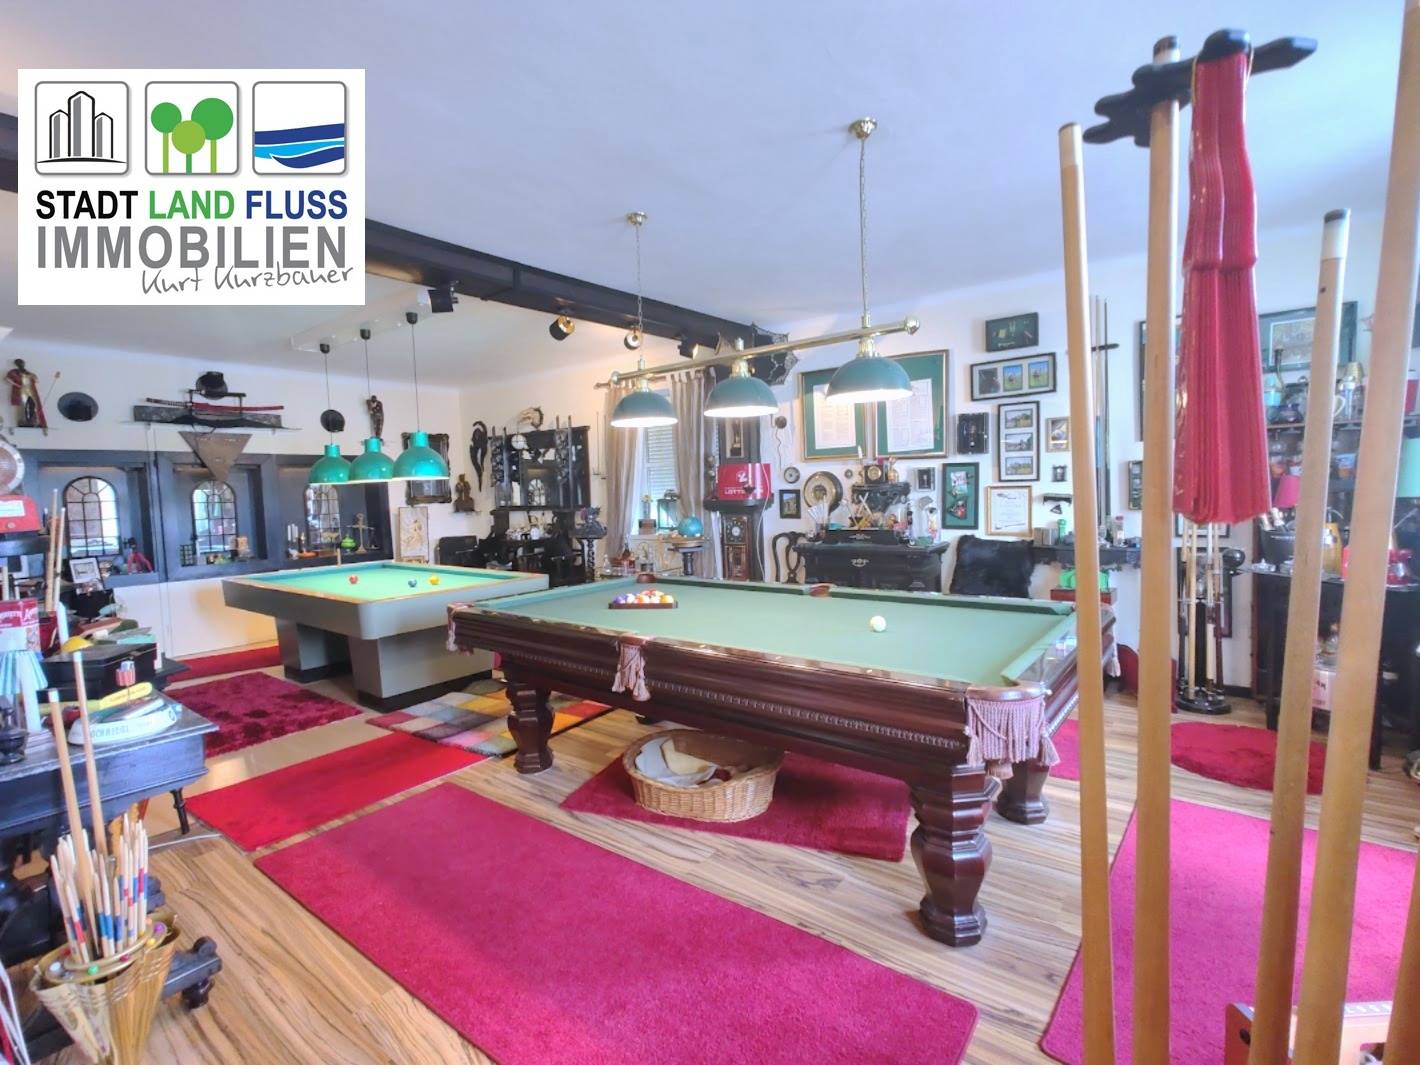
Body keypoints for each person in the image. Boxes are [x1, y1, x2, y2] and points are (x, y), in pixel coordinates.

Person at [6, 359, 46, 430]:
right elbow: (7, 379)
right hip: (22, 390)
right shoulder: (14, 372)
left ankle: (33, 421)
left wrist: (33, 377)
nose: (22, 364)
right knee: (24, 405)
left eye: (22, 363)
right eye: (20, 363)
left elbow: (36, 380)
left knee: (33, 404)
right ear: (17, 364)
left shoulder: (28, 372)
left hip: (30, 390)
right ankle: (25, 421)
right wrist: (17, 385)